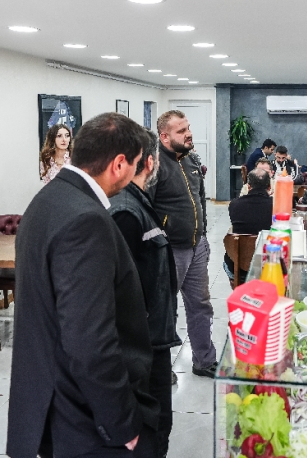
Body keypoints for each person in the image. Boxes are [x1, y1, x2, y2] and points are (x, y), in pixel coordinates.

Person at [8, 113, 159, 458]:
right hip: (84, 418)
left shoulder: (46, 200)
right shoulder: (86, 221)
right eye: (135, 163)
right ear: (118, 164)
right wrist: (123, 424)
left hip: (48, 398)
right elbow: (89, 340)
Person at [109, 130, 182, 458]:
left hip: (154, 337)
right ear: (151, 163)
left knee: (159, 423)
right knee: (152, 427)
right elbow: (120, 288)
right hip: (142, 345)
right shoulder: (125, 212)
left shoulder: (138, 202)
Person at [149, 110, 218, 378]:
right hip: (170, 251)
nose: (189, 134)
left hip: (196, 246)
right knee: (164, 311)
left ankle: (204, 360)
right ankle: (159, 369)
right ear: (164, 136)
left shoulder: (191, 159)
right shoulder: (154, 164)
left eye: (188, 128)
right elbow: (145, 209)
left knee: (201, 305)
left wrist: (203, 234)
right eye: (181, 131)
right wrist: (159, 242)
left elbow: (200, 199)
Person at [225, 167, 274, 285]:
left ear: (248, 186)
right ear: (269, 187)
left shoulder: (234, 205)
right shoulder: (275, 206)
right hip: (270, 266)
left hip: (239, 267)